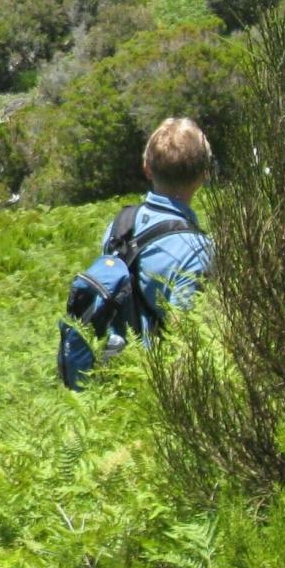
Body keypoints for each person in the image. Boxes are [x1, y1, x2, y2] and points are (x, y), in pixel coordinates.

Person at [58, 116, 214, 388]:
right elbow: (185, 339)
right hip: (152, 387)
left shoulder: (120, 224)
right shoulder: (196, 250)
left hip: (112, 371)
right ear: (204, 174)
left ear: (146, 169)